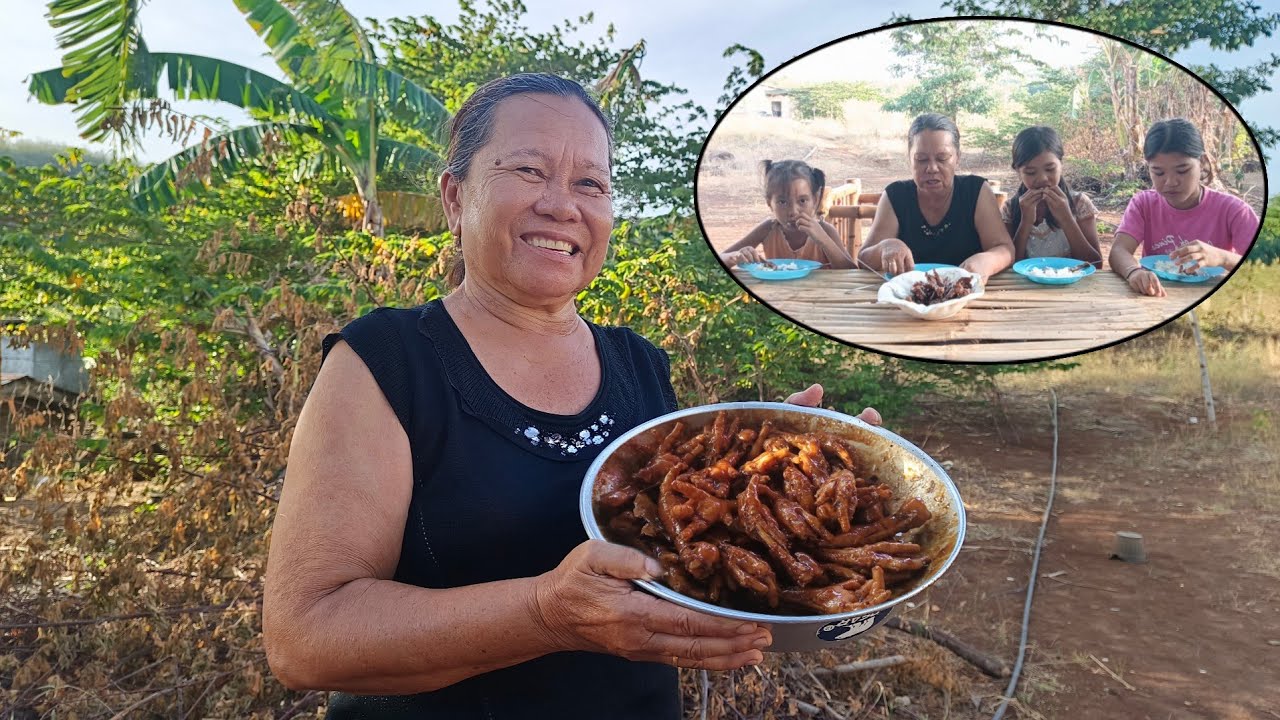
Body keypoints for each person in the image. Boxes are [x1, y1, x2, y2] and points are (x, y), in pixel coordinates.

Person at [261, 73, 882, 719]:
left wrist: (783, 471)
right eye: (528, 169)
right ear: (454, 196)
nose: (563, 205)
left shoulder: (638, 362)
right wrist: (546, 615)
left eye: (590, 183)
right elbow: (307, 638)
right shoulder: (386, 361)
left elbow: (681, 540)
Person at [1110, 118, 1260, 297]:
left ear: (1202, 163)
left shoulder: (1234, 211)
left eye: (1182, 171)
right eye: (1158, 172)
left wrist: (1223, 258)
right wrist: (1133, 272)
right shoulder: (1144, 204)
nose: (1171, 182)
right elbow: (1119, 251)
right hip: (1156, 298)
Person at [858, 113, 1014, 280]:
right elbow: (863, 259)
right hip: (909, 297)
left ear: (957, 158)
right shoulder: (896, 196)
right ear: (910, 159)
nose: (932, 168)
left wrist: (987, 261)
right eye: (921, 159)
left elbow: (1004, 248)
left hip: (966, 294)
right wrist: (885, 246)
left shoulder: (976, 191)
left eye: (942, 158)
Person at [717, 159, 858, 269]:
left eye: (802, 201)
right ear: (769, 203)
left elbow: (851, 271)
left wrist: (823, 240)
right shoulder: (768, 229)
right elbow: (720, 258)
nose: (793, 211)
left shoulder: (826, 230)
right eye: (782, 202)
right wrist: (736, 256)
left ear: (815, 200)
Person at [1001, 126, 1102, 265]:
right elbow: (1009, 266)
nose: (1042, 178)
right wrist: (1026, 222)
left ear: (1061, 164)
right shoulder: (1010, 209)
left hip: (1071, 285)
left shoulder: (1079, 203)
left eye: (1050, 169)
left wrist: (1066, 218)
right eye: (1030, 172)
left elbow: (1096, 263)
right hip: (1025, 286)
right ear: (1018, 172)